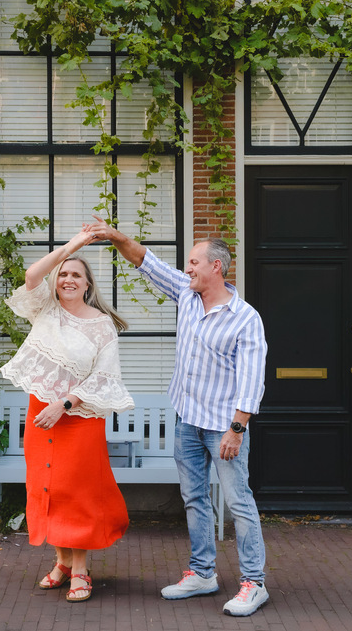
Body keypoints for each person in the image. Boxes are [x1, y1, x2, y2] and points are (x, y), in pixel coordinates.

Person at [84, 216, 270, 617]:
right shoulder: (187, 295)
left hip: (223, 426)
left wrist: (237, 429)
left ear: (216, 267)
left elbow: (252, 380)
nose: (187, 269)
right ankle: (202, 573)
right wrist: (114, 235)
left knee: (238, 502)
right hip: (187, 420)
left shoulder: (245, 318)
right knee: (194, 498)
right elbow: (144, 260)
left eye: (193, 262)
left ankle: (254, 583)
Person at [0, 229, 135, 603]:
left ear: (87, 284)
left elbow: (104, 377)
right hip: (41, 413)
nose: (68, 279)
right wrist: (73, 247)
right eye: (63, 274)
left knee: (77, 492)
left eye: (76, 274)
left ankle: (80, 570)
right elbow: (32, 275)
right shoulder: (45, 309)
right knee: (47, 488)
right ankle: (61, 561)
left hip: (79, 416)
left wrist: (65, 404)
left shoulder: (101, 325)